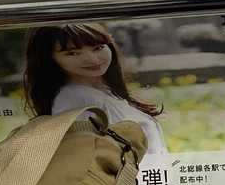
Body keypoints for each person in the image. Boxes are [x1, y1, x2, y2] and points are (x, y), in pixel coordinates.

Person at [23, 23, 167, 156]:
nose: (92, 59)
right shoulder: (77, 100)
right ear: (49, 58)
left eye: (98, 48)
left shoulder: (100, 92)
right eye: (72, 53)